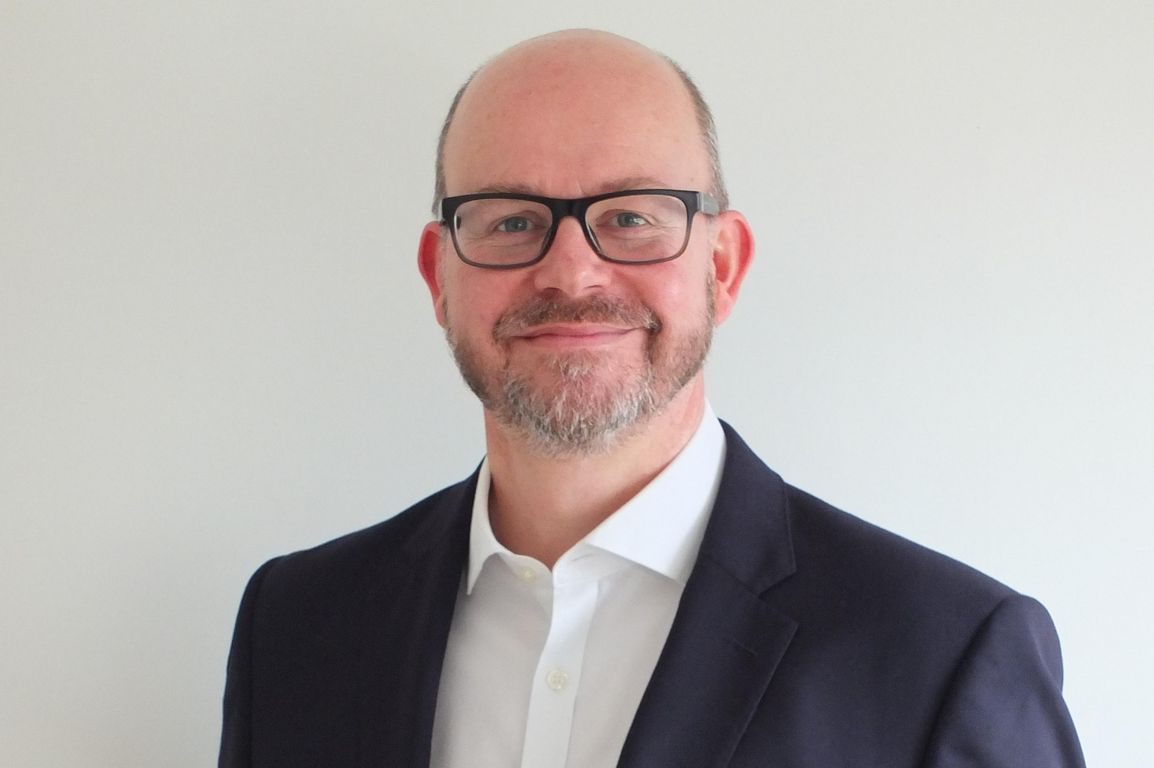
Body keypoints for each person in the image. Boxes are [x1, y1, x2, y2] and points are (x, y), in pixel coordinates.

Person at [219, 29, 1085, 768]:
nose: (571, 272)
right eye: (510, 220)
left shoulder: (943, 655)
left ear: (722, 266)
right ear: (437, 276)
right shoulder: (295, 627)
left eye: (631, 217)